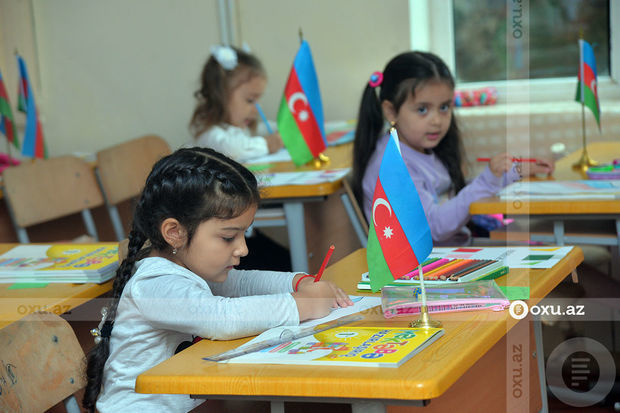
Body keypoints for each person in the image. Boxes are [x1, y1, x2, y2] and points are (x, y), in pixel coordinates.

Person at [82, 147, 352, 413]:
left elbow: (242, 284)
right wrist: (301, 305)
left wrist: (297, 283)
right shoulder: (155, 285)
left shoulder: (188, 267)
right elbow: (223, 318)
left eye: (244, 234)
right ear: (174, 233)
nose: (243, 249)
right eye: (228, 237)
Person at [351, 51, 554, 245]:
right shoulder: (392, 167)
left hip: (453, 251)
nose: (437, 121)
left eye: (444, 107)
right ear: (391, 111)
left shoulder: (421, 150)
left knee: (544, 246)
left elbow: (453, 198)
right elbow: (434, 227)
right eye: (422, 109)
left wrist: (514, 172)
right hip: (428, 265)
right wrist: (486, 180)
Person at [189, 45, 283, 162]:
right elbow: (233, 150)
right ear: (221, 96)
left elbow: (262, 128)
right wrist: (267, 144)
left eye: (258, 100)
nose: (257, 109)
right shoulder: (209, 136)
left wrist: (284, 128)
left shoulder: (241, 128)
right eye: (250, 100)